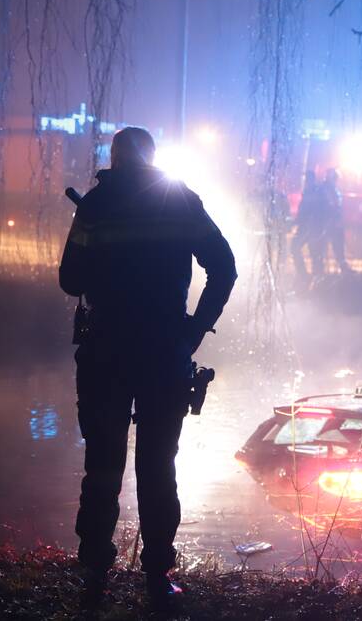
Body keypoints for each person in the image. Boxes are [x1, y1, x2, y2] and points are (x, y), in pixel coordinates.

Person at [59, 127, 237, 608]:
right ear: (154, 158)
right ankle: (158, 575)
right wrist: (195, 330)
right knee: (158, 466)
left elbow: (69, 279)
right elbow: (224, 267)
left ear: (114, 160)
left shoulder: (95, 205)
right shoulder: (181, 201)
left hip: (105, 354)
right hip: (164, 354)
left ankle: (95, 572)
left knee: (102, 465)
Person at [291, 169, 325, 280]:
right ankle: (311, 276)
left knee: (303, 248)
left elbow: (309, 210)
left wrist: (299, 221)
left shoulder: (313, 191)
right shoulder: (312, 191)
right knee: (313, 251)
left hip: (310, 227)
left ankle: (309, 276)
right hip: (309, 226)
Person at [320, 168, 351, 273]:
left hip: (333, 223)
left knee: (338, 246)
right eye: (335, 179)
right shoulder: (326, 189)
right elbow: (331, 206)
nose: (336, 181)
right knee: (323, 247)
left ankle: (343, 267)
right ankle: (320, 270)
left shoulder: (333, 189)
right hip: (327, 223)